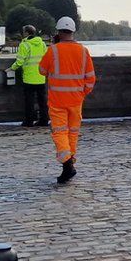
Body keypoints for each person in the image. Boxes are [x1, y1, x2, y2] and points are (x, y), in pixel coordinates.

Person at [38, 17, 96, 183]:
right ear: (73, 31)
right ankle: (69, 163)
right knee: (73, 132)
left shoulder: (53, 50)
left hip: (57, 100)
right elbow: (90, 78)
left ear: (58, 32)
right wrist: (81, 93)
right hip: (76, 100)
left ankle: (67, 164)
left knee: (60, 132)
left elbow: (42, 70)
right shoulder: (83, 51)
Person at [7, 25, 48, 127]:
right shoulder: (42, 44)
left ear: (26, 33)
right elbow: (46, 58)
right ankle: (44, 120)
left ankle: (29, 121)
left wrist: (12, 68)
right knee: (42, 101)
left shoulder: (24, 45)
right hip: (41, 76)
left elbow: (19, 61)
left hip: (29, 78)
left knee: (29, 101)